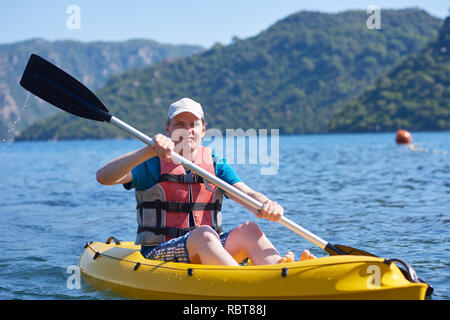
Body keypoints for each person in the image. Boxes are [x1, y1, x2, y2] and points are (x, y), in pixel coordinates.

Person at [96, 97, 316, 266]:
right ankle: (245, 284)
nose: (187, 129)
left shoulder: (215, 164)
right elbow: (103, 177)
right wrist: (147, 150)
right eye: (180, 123)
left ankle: (278, 271)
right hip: (160, 251)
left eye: (193, 123)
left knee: (250, 229)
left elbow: (246, 194)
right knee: (203, 234)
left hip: (208, 246)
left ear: (203, 128)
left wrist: (267, 204)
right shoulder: (152, 163)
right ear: (168, 129)